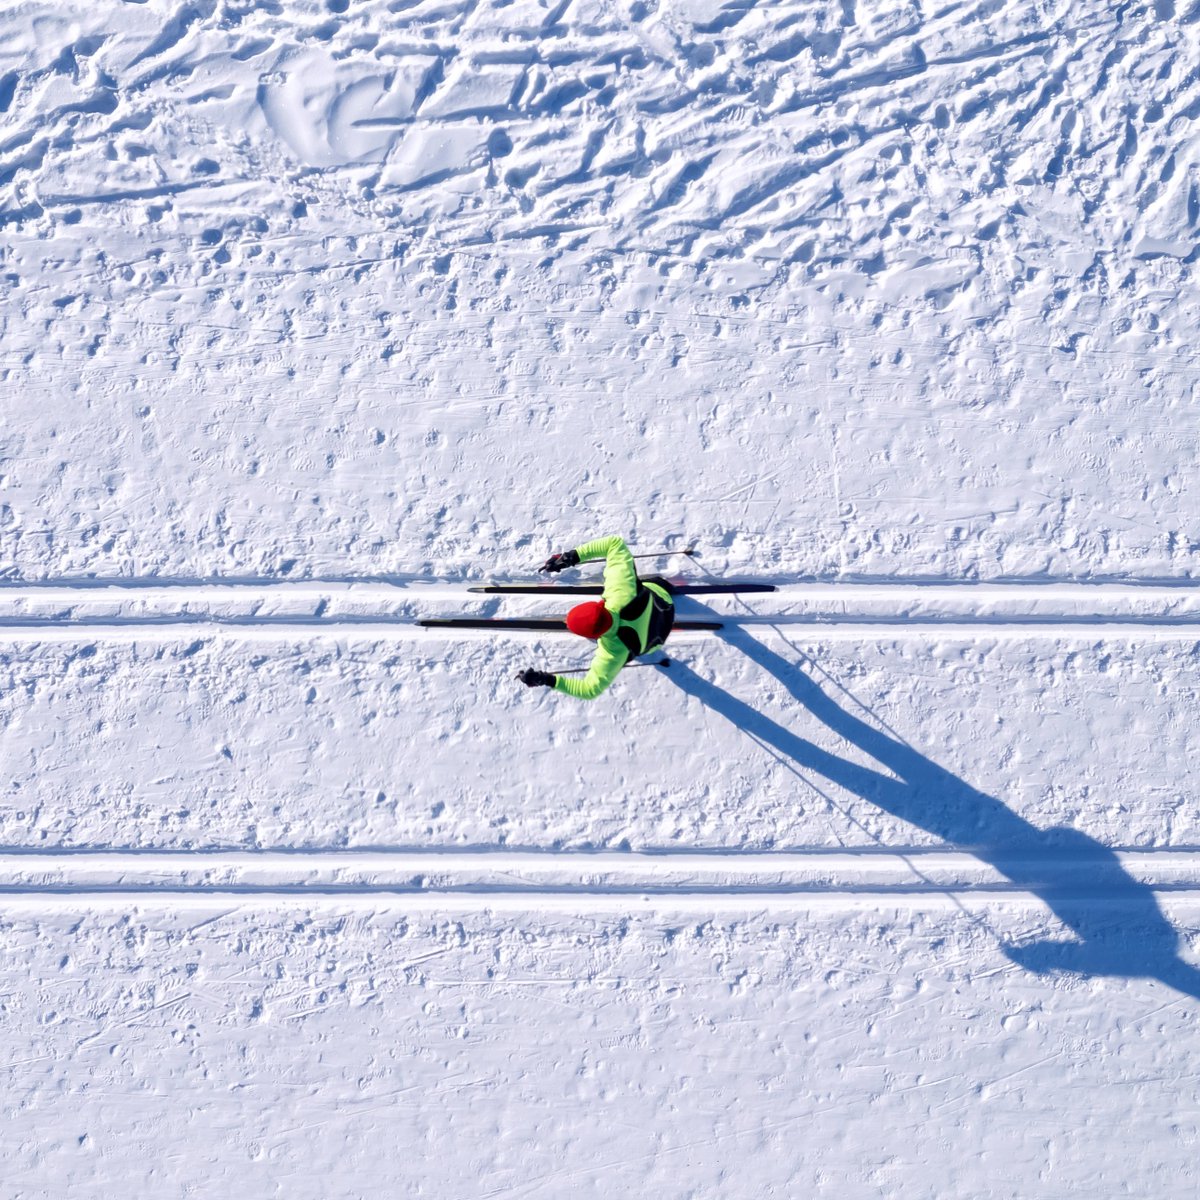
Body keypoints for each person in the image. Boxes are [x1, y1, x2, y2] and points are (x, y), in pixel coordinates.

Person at [518, 535, 675, 700]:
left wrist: (547, 680)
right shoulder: (620, 591)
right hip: (665, 603)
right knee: (650, 586)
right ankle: (666, 587)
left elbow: (589, 690)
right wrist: (570, 557)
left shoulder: (613, 651)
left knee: (628, 652)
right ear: (599, 605)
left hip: (656, 641)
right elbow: (614, 543)